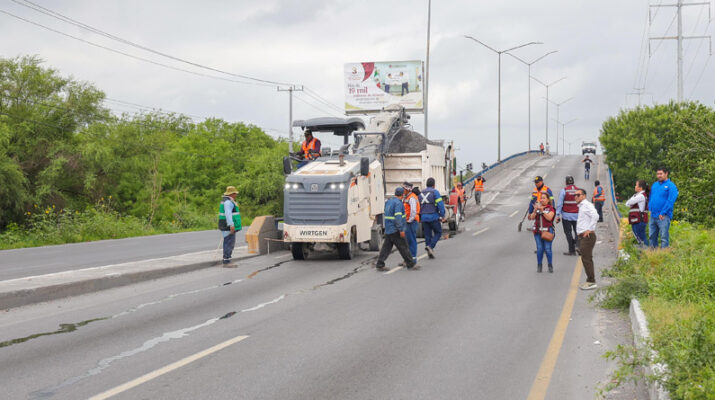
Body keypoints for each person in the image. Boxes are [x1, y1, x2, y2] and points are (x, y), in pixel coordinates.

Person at [376, 187, 417, 271]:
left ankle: (380, 264)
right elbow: (398, 217)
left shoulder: (389, 202)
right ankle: (410, 264)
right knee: (404, 247)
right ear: (402, 195)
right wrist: (401, 229)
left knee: (386, 248)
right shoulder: (398, 203)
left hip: (389, 229)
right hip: (396, 229)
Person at [575, 188, 599, 290]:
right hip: (583, 236)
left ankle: (591, 281)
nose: (576, 197)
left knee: (586, 259)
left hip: (587, 236)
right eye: (575, 195)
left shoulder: (587, 205)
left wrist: (590, 229)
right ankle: (590, 280)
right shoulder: (581, 206)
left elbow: (596, 216)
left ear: (584, 196)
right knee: (585, 258)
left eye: (578, 195)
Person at [648, 167, 679, 248]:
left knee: (663, 237)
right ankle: (653, 252)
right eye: (658, 174)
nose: (659, 176)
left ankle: (664, 253)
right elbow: (651, 197)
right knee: (652, 236)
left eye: (661, 174)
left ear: (666, 173)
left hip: (663, 216)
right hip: (653, 215)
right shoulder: (655, 185)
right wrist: (650, 208)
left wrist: (663, 212)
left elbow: (671, 201)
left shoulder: (671, 186)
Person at [529, 193, 556, 273]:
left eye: (544, 198)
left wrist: (542, 211)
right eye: (541, 198)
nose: (542, 200)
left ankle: (550, 265)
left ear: (548, 200)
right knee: (539, 248)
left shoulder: (551, 208)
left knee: (547, 249)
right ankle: (539, 265)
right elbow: (531, 218)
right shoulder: (537, 207)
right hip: (537, 231)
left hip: (547, 231)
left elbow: (549, 218)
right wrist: (535, 211)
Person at [419, 177, 446, 259]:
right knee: (438, 232)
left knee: (428, 235)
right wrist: (442, 215)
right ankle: (430, 246)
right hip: (433, 216)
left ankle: (429, 252)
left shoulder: (421, 193)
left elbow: (418, 205)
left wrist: (419, 216)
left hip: (424, 217)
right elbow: (440, 204)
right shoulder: (435, 192)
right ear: (434, 185)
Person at [555, 175, 579, 256]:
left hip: (566, 216)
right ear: (573, 182)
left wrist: (557, 215)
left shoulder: (564, 191)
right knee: (577, 231)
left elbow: (560, 204)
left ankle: (572, 250)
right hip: (577, 215)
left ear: (566, 182)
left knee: (568, 233)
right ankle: (577, 245)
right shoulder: (578, 190)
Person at [218, 186, 242, 265]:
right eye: (235, 193)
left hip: (226, 225)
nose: (236, 195)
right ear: (231, 194)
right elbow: (228, 214)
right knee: (229, 242)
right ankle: (226, 260)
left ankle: (227, 258)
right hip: (228, 226)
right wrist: (231, 225)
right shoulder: (228, 202)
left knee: (229, 242)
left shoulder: (227, 201)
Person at [626, 180, 650, 247]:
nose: (635, 186)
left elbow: (628, 203)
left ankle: (646, 250)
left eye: (636, 185)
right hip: (637, 220)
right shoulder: (638, 195)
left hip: (640, 220)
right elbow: (627, 204)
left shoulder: (641, 196)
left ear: (640, 188)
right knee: (640, 237)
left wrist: (631, 201)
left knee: (641, 238)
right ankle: (644, 250)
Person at [402, 182, 420, 264]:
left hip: (411, 222)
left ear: (407, 189)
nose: (403, 190)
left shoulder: (412, 198)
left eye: (404, 189)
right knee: (408, 241)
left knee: (411, 240)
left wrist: (410, 220)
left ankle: (413, 259)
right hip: (409, 221)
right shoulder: (407, 197)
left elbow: (413, 211)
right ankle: (408, 259)